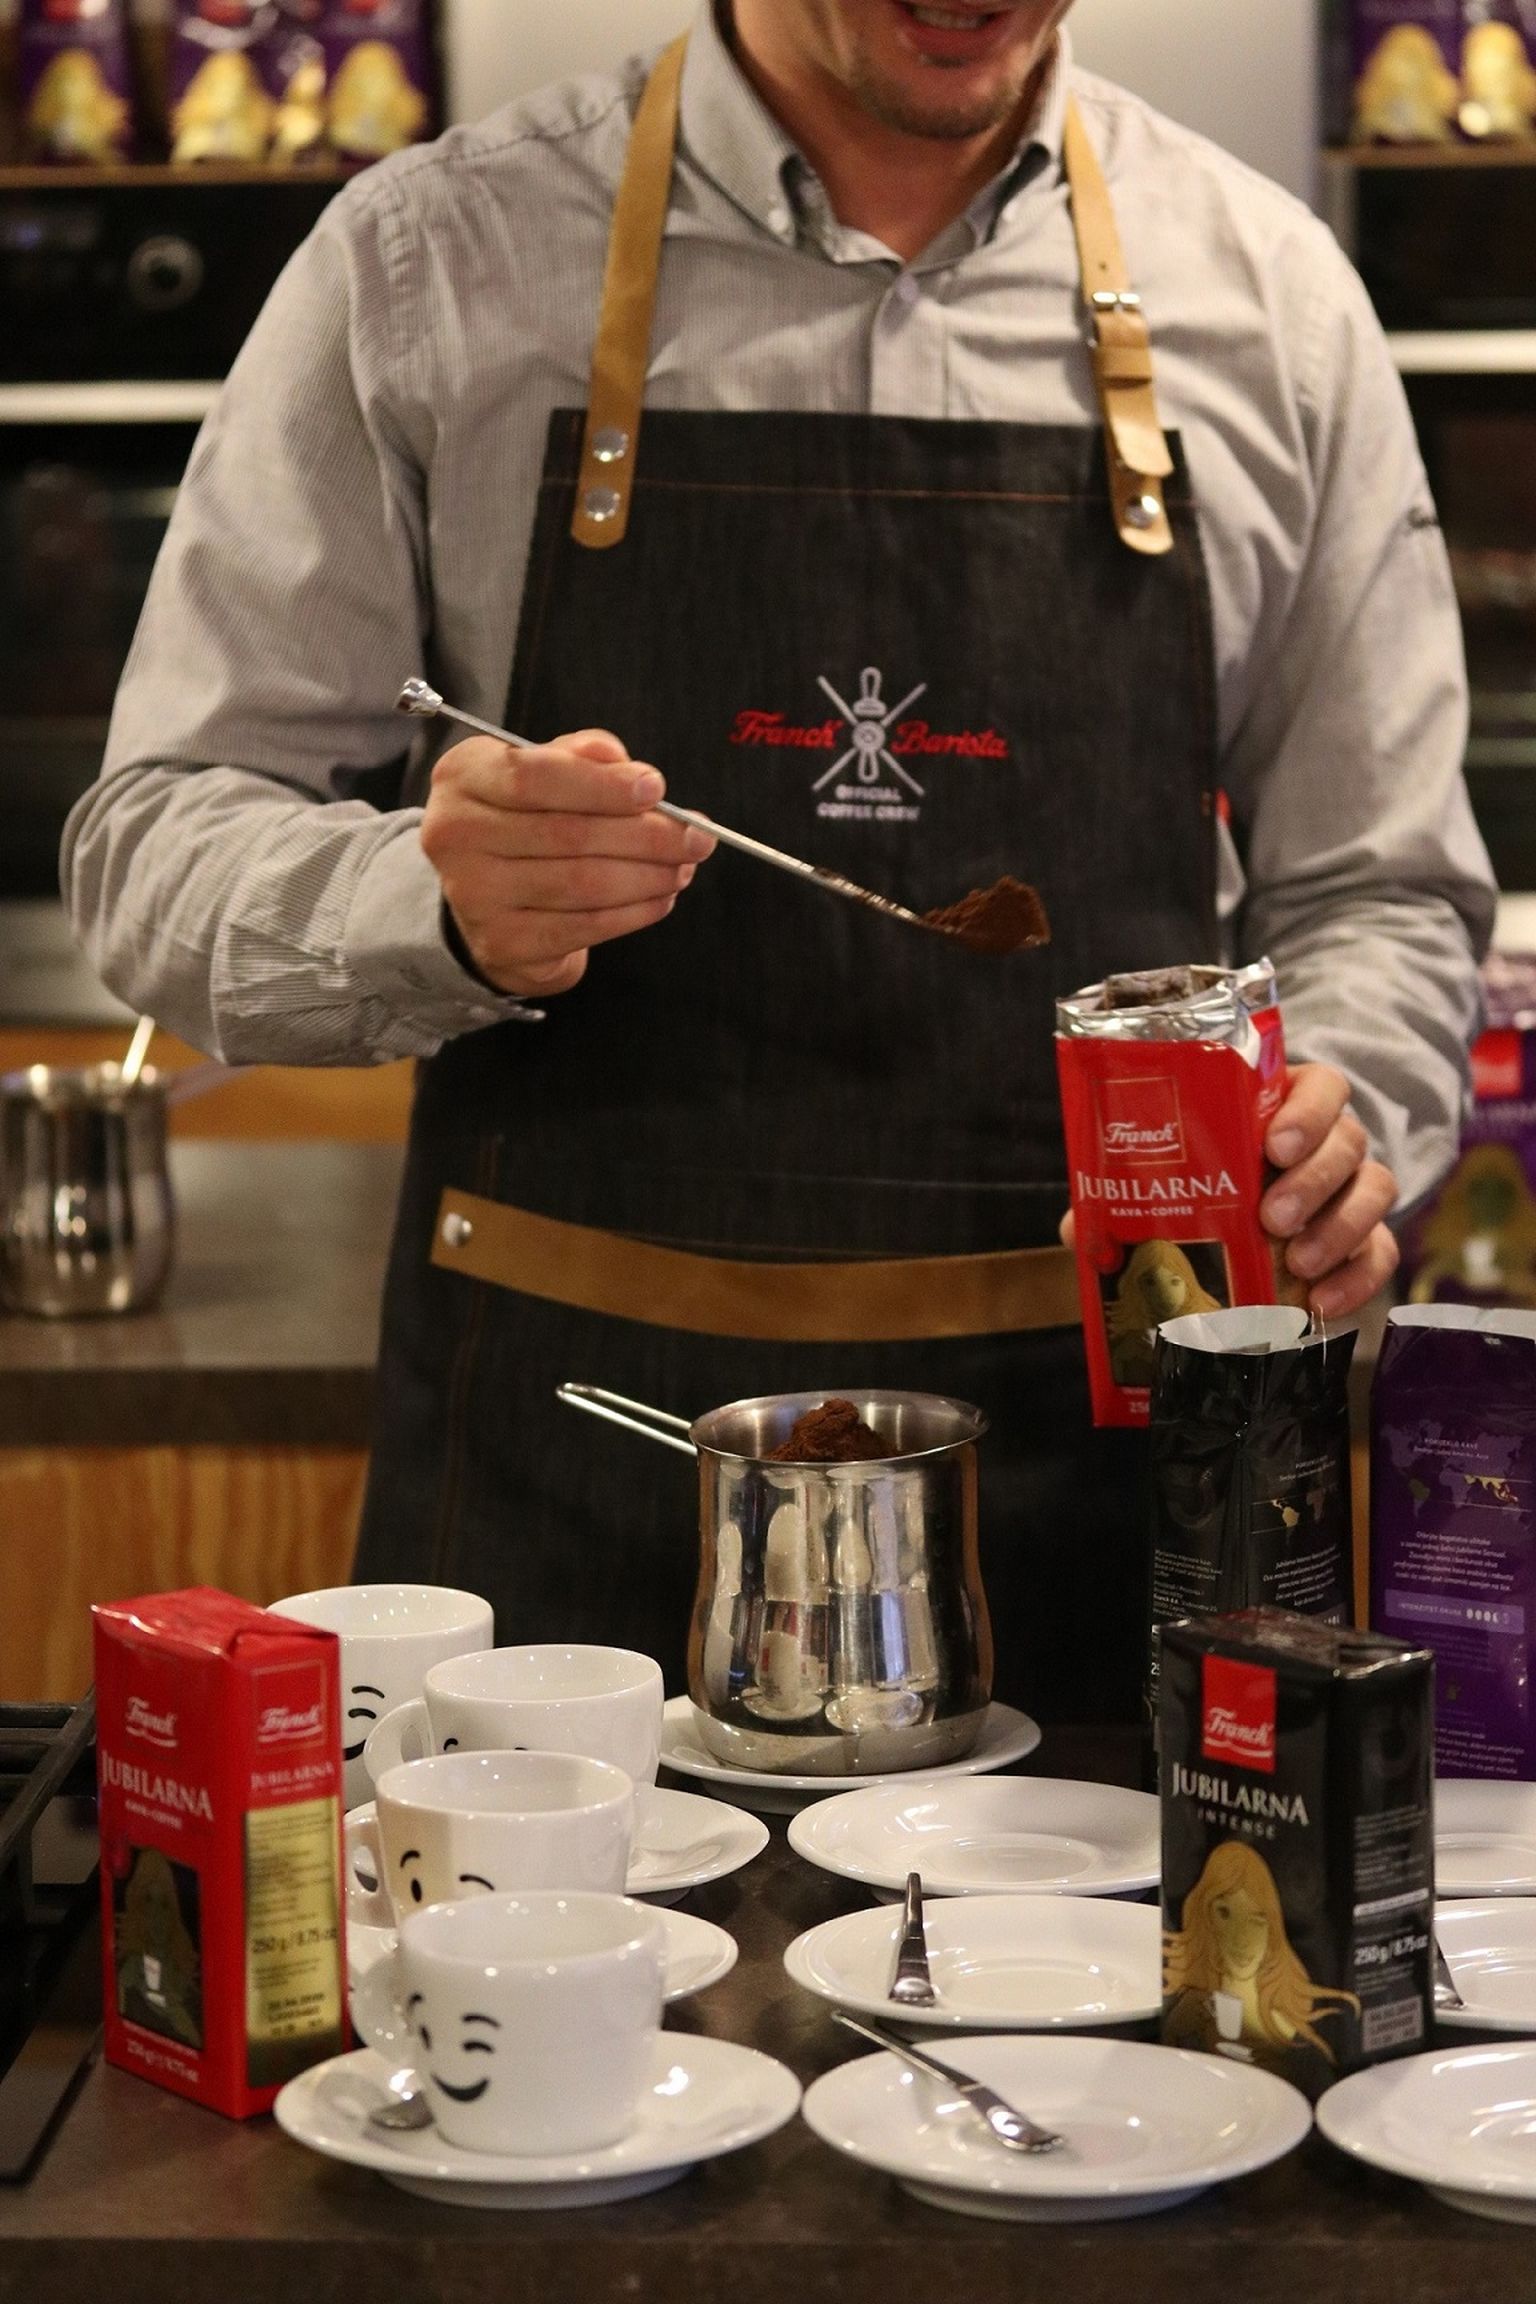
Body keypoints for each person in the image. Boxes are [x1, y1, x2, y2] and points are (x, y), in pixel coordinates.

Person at [65, 0, 1496, 1723]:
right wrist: (429, 908)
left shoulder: (1272, 302)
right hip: (581, 1487)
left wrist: (1335, 1125)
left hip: (1110, 1493)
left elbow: (1380, 889)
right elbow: (152, 844)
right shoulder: (430, 264)